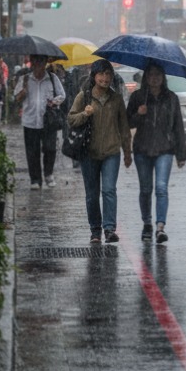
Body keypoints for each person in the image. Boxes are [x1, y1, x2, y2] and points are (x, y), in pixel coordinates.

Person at [67, 59, 131, 244]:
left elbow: (124, 127)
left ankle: (109, 229)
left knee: (109, 190)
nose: (105, 78)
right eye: (101, 74)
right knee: (92, 194)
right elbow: (71, 119)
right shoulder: (84, 97)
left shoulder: (116, 98)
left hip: (111, 152)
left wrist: (127, 151)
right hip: (89, 153)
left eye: (108, 74)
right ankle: (95, 230)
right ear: (94, 76)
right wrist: (85, 114)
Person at [127, 63, 186, 244]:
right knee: (145, 189)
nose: (154, 78)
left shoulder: (171, 98)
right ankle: (147, 223)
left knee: (161, 188)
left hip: (165, 149)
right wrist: (139, 114)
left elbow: (178, 126)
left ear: (163, 78)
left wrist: (181, 154)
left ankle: (160, 226)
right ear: (146, 77)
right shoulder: (138, 97)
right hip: (142, 149)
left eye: (158, 75)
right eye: (151, 75)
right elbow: (127, 122)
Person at [15, 55, 66, 189]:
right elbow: (17, 98)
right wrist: (24, 90)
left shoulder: (53, 79)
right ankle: (35, 180)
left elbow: (62, 95)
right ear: (32, 63)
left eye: (41, 61)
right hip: (30, 121)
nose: (38, 64)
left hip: (48, 121)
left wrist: (54, 102)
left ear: (45, 62)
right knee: (32, 152)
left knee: (50, 148)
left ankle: (48, 174)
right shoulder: (25, 78)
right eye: (35, 61)